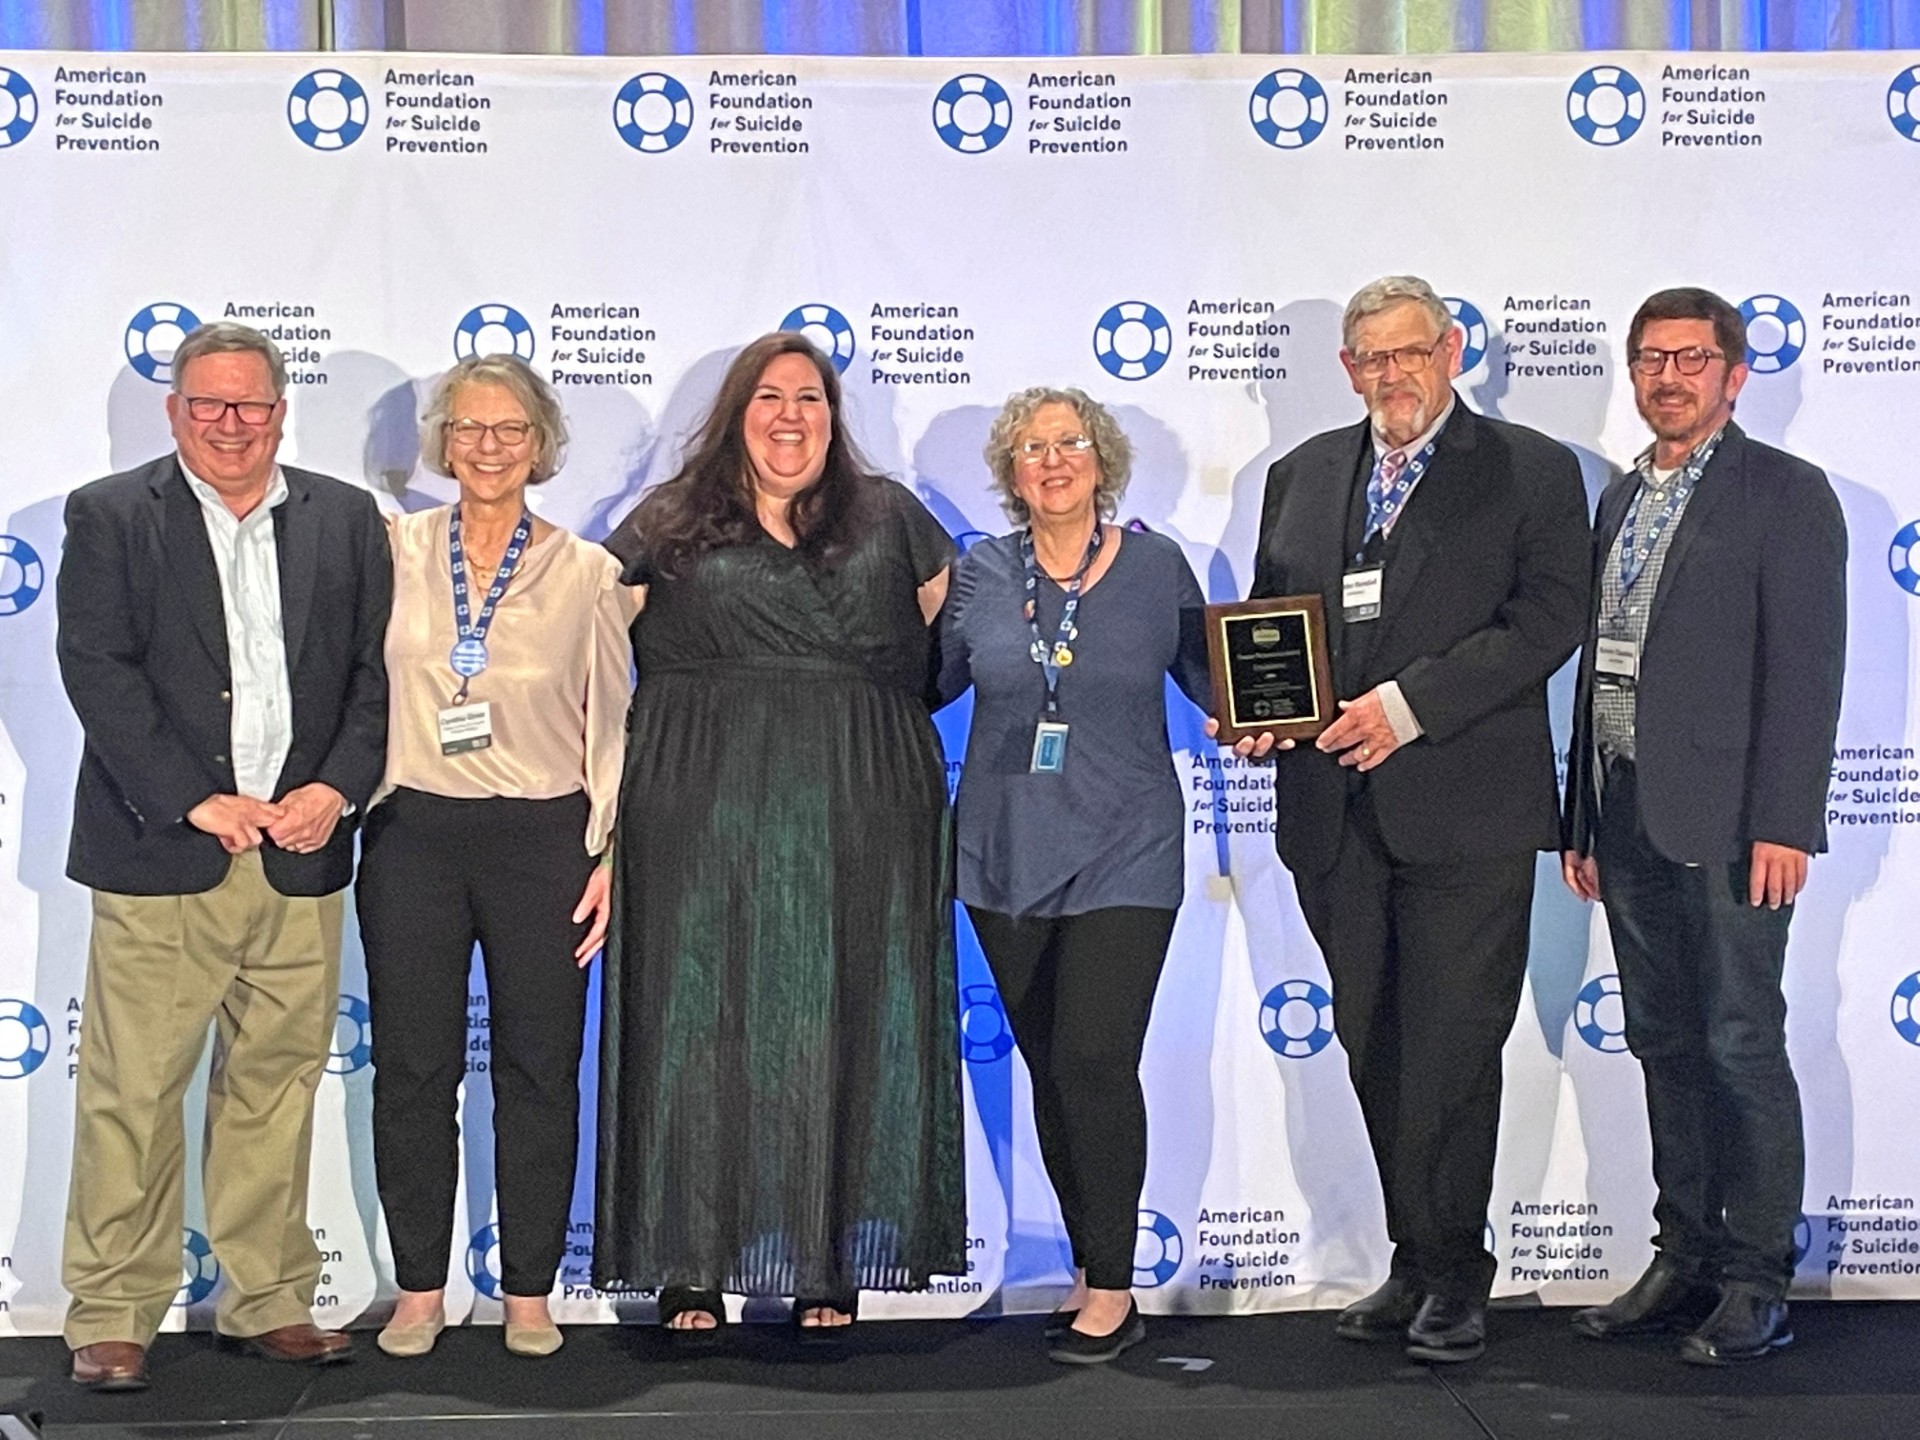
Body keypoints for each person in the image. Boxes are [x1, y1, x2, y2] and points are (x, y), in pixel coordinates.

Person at [1226, 275, 1589, 1362]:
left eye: (1409, 353)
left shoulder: (1529, 468)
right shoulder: (1299, 474)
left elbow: (1550, 618)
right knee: (1373, 1042)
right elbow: (1272, 623)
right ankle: (1411, 1256)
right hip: (1333, 811)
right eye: (1369, 359)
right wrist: (1264, 719)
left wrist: (1408, 706)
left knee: (1452, 1049)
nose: (1391, 375)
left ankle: (1456, 1274)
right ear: (1347, 371)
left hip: (1464, 810)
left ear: (1452, 351)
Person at [594, 332, 965, 1341]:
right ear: (736, 413)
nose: (791, 415)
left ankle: (827, 1258)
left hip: (863, 808)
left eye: (810, 397)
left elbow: (980, 641)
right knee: (694, 1023)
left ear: (833, 417)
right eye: (769, 396)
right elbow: (575, 642)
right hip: (698, 808)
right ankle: (689, 1264)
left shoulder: (890, 517)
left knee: (838, 1017)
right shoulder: (670, 522)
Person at [55, 323, 391, 1390]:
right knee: (132, 1094)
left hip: (300, 860)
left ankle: (269, 1300)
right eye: (208, 406)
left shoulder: (345, 518)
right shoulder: (111, 517)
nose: (230, 425)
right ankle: (112, 1312)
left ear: (282, 412)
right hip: (164, 856)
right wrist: (196, 800)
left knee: (275, 1090)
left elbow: (375, 677)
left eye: (250, 406)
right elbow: (97, 670)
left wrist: (335, 791)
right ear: (174, 412)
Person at [1560, 288, 1846, 1365]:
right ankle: (1683, 1257)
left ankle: (1757, 1276)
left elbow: (1807, 671)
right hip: (1627, 812)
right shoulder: (1621, 498)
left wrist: (1785, 821)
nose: (1666, 378)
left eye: (1688, 358)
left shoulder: (1787, 493)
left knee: (1738, 1041)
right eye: (1648, 360)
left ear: (1735, 373)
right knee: (1666, 1042)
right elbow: (1600, 670)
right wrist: (1583, 817)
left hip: (1733, 825)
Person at [359, 355, 635, 1359]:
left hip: (540, 838)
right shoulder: (390, 551)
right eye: (469, 428)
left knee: (537, 1068)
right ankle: (421, 1289)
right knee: (414, 1069)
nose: (487, 446)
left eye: (509, 429)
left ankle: (528, 1291)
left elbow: (610, 728)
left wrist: (607, 850)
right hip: (413, 834)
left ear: (540, 446)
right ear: (442, 442)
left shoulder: (588, 572)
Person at [934, 387, 1210, 1364]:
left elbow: (1217, 682)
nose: (1053, 462)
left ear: (1102, 461)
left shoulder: (1157, 567)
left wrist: (1264, 711)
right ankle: (1094, 1267)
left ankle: (1113, 1281)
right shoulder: (981, 570)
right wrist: (914, 618)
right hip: (1002, 858)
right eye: (1032, 450)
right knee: (1054, 1070)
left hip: (1125, 853)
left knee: (1095, 1059)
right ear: (1011, 474)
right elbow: (932, 683)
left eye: (1070, 444)